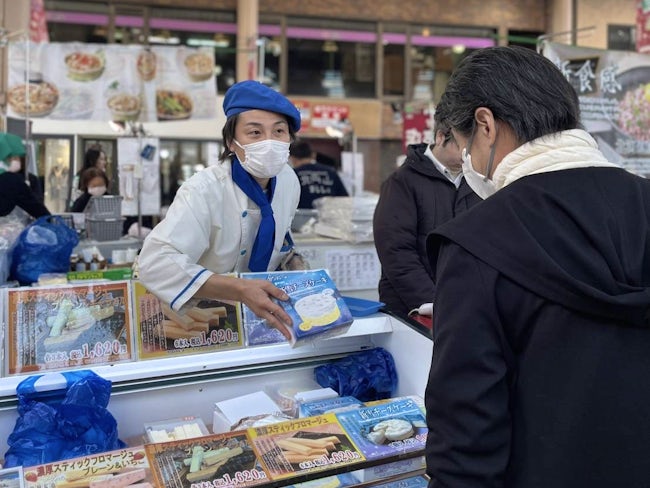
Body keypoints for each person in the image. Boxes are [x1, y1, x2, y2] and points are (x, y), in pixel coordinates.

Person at [424, 46, 650, 488]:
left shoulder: (476, 241)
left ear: (485, 125)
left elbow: (466, 431)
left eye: (464, 145)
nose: (467, 161)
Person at [138, 80, 304, 339]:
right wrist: (238, 289)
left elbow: (279, 235)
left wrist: (292, 261)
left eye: (279, 131)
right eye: (255, 132)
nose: (269, 142)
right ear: (231, 141)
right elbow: (154, 263)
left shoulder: (289, 181)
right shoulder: (203, 189)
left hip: (264, 314)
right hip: (201, 318)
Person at [372, 120, 480, 318]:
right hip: (412, 309)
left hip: (465, 307)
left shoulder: (477, 182)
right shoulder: (402, 181)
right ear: (440, 137)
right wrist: (433, 302)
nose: (469, 155)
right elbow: (396, 251)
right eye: (463, 146)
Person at [0, 132, 50, 219]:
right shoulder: (10, 180)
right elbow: (36, 208)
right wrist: (52, 221)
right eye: (15, 158)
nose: (19, 162)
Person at [289, 139, 349, 208]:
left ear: (292, 158)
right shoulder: (331, 172)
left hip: (301, 214)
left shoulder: (293, 174)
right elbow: (345, 200)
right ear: (313, 155)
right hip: (330, 214)